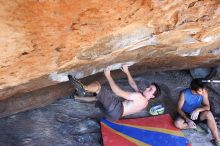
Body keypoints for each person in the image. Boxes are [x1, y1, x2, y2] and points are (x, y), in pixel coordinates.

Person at [68, 65, 161, 121]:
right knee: (98, 98)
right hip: (114, 117)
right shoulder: (145, 101)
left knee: (98, 86)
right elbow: (133, 84)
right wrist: (127, 71)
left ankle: (84, 88)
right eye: (149, 86)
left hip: (116, 109)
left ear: (152, 95)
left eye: (150, 89)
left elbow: (118, 92)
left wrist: (108, 76)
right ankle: (76, 97)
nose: (147, 88)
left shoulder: (139, 97)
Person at [174, 79, 220, 145]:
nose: (203, 92)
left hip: (197, 114)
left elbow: (207, 107)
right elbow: (179, 109)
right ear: (193, 90)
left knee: (209, 114)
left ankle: (217, 140)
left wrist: (198, 110)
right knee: (177, 123)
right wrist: (187, 120)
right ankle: (192, 126)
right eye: (200, 91)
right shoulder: (184, 93)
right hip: (185, 114)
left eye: (203, 89)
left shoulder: (204, 92)